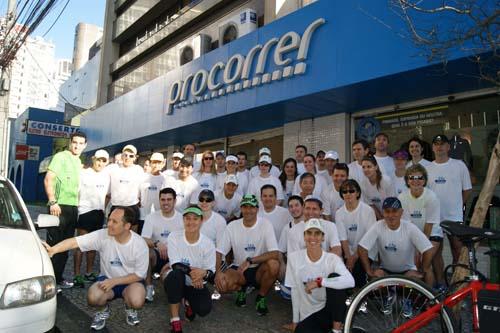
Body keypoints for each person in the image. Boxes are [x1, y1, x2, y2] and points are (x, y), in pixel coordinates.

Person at [43, 207, 149, 330]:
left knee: (137, 300)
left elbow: (139, 275)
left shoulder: (139, 244)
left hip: (130, 282)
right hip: (106, 279)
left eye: (114, 222)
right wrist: (53, 250)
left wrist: (114, 281)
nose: (108, 224)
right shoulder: (103, 235)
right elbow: (74, 242)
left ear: (127, 226)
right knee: (93, 297)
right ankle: (103, 310)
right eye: (109, 220)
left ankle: (130, 309)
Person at [358, 197, 434, 317]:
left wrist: (422, 270)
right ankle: (387, 296)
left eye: (394, 211)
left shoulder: (409, 227)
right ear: (383, 213)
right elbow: (362, 247)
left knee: (416, 280)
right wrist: (369, 270)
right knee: (375, 281)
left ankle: (406, 299)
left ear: (401, 212)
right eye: (387, 211)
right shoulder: (378, 226)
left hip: (407, 271)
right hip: (386, 270)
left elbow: (428, 249)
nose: (391, 215)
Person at [215, 194, 280, 316]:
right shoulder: (233, 226)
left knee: (274, 264)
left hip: (259, 270)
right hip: (239, 270)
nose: (248, 210)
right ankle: (241, 290)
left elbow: (275, 253)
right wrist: (218, 272)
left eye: (252, 207)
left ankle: (261, 297)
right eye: (245, 207)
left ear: (257, 209)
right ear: (241, 209)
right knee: (221, 285)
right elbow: (219, 252)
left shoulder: (265, 224)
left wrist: (251, 260)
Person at [285, 219, 355, 333]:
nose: (313, 237)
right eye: (309, 233)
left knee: (335, 276)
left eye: (317, 233)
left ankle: (336, 329)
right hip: (309, 314)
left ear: (323, 237)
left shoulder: (332, 259)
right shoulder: (294, 258)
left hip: (331, 310)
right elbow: (295, 290)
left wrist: (320, 282)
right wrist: (295, 321)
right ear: (304, 236)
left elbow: (350, 281)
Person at [162, 205, 216, 333]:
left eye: (195, 219)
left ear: (201, 221)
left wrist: (203, 273)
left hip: (195, 283)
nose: (191, 222)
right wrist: (195, 273)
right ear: (183, 220)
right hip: (180, 279)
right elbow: (175, 264)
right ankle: (175, 321)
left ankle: (188, 303)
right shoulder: (174, 237)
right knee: (174, 276)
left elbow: (211, 273)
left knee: (203, 310)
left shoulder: (208, 244)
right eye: (187, 218)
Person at [44, 131, 87, 289]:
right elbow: (49, 178)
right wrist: (52, 201)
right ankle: (49, 283)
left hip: (72, 208)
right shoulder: (61, 157)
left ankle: (59, 278)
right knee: (53, 245)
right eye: (75, 142)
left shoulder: (78, 162)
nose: (77, 145)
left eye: (81, 143)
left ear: (85, 145)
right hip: (58, 206)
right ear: (70, 142)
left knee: (65, 246)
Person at [426, 134, 472, 267]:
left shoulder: (459, 165)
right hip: (434, 218)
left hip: (454, 217)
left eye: (442, 144)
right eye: (436, 144)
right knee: (436, 253)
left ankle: (457, 281)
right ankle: (440, 282)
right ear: (433, 147)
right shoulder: (427, 168)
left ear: (448, 147)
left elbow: (467, 190)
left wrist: (457, 206)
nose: (439, 147)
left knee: (457, 250)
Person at [398, 164, 444, 288]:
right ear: (407, 180)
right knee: (412, 265)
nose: (416, 181)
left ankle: (431, 296)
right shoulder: (402, 197)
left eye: (419, 178)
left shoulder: (431, 197)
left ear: (424, 180)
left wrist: (421, 248)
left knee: (425, 265)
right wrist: (415, 247)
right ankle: (414, 295)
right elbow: (408, 224)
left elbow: (429, 225)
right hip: (413, 234)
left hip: (432, 234)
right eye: (412, 177)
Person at [74, 149, 110, 288]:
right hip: (84, 211)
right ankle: (77, 274)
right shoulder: (84, 173)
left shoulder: (107, 176)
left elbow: (108, 195)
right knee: (80, 244)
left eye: (103, 160)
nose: (100, 163)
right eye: (98, 159)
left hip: (98, 213)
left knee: (93, 245)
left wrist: (102, 208)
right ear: (93, 159)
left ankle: (89, 272)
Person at [141, 188, 184, 302]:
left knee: (169, 283)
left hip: (175, 258)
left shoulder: (182, 219)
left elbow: (186, 243)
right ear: (159, 201)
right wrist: (157, 243)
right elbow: (143, 239)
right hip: (157, 255)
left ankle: (167, 279)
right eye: (163, 199)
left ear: (175, 201)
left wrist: (172, 261)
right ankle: (149, 287)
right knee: (146, 252)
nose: (165, 202)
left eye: (169, 199)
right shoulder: (151, 217)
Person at [335, 179, 377, 288]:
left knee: (358, 270)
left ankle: (361, 298)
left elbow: (369, 238)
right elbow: (343, 238)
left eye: (351, 191)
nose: (348, 194)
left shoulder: (368, 211)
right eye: (344, 191)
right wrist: (348, 257)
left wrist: (354, 257)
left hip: (366, 250)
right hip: (347, 251)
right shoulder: (339, 213)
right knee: (342, 271)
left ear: (358, 193)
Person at [106, 144, 145, 228]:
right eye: (125, 155)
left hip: (132, 207)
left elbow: (143, 189)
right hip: (116, 206)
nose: (127, 158)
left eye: (131, 156)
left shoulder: (139, 170)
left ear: (135, 157)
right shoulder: (112, 168)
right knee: (113, 234)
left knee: (132, 236)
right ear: (122, 156)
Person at [139, 152, 173, 234]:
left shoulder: (166, 179)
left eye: (158, 162)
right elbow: (138, 196)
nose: (156, 165)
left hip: (159, 217)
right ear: (150, 163)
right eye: (154, 162)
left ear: (162, 164)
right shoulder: (142, 177)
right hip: (143, 217)